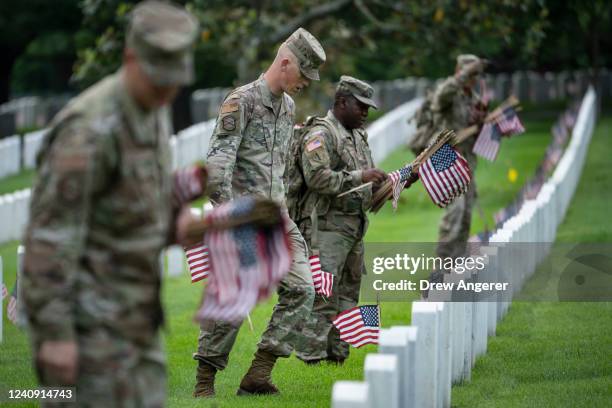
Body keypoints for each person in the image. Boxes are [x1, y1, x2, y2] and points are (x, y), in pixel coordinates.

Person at [21, 1, 200, 405]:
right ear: (130, 58)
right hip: (88, 331)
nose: (167, 92)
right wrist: (55, 337)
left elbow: (135, 200)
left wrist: (176, 218)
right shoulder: (89, 130)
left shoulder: (152, 109)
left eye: (175, 82)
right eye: (159, 82)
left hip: (137, 323)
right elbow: (49, 237)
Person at [193, 27, 326, 397]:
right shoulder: (242, 101)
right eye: (304, 74)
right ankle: (204, 382)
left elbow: (280, 168)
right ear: (285, 63)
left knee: (303, 289)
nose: (306, 84)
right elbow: (219, 163)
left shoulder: (288, 108)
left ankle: (258, 374)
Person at [289, 76, 386, 364]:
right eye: (361, 106)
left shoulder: (357, 135)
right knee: (324, 295)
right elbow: (317, 177)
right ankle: (311, 358)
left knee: (348, 294)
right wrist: (361, 177)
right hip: (325, 228)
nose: (366, 113)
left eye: (368, 107)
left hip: (353, 228)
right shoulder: (321, 133)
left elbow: (366, 181)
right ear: (342, 102)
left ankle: (337, 357)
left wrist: (397, 181)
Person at [429, 54, 488, 283]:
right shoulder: (450, 92)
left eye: (476, 75)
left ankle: (456, 269)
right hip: (445, 155)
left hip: (466, 159)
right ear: (459, 72)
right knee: (455, 211)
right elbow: (440, 98)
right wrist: (465, 74)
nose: (473, 79)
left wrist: (481, 122)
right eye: (470, 74)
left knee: (465, 216)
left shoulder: (472, 98)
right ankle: (440, 270)